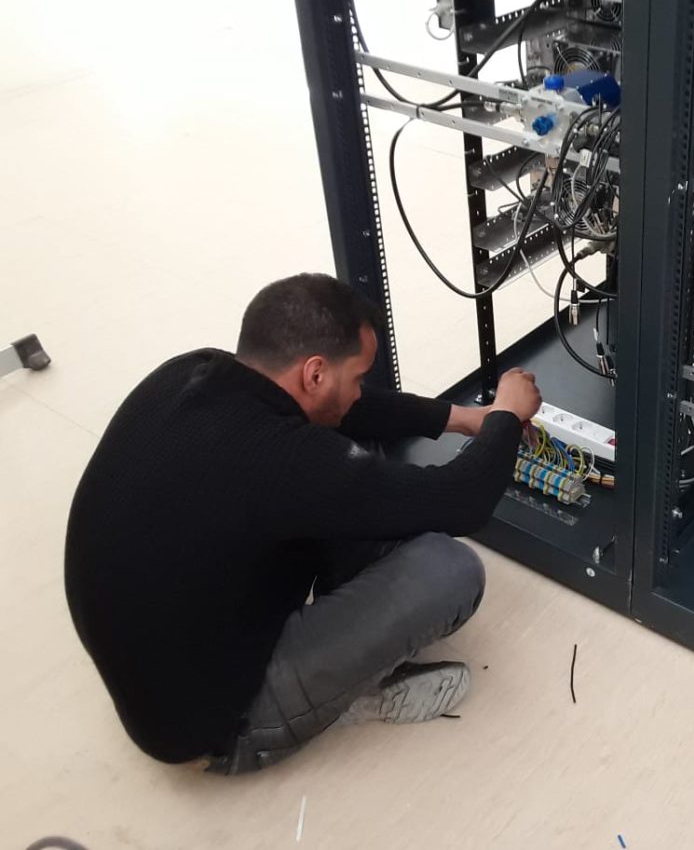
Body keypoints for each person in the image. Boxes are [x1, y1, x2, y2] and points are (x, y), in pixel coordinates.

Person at [64, 273, 541, 774]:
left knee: (347, 441)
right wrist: (507, 414)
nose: (360, 391)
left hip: (164, 666)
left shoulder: (194, 372)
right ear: (314, 373)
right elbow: (464, 501)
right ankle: (350, 698)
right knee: (450, 571)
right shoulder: (281, 460)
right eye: (357, 377)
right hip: (216, 720)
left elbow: (352, 412)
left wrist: (465, 418)